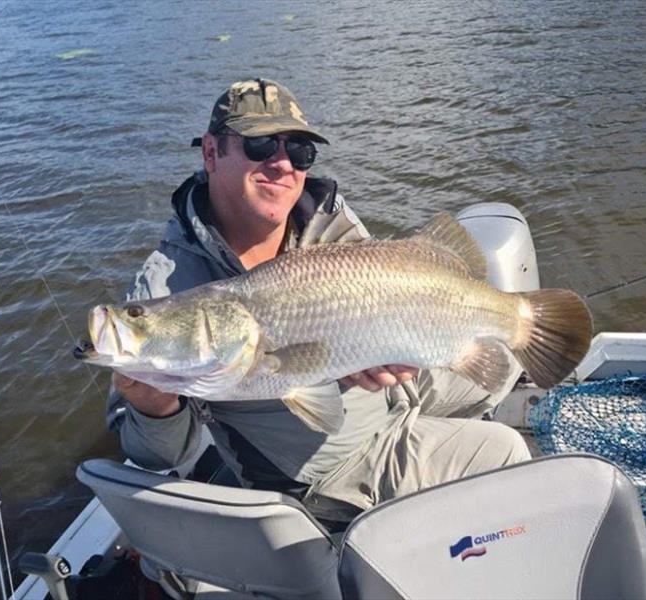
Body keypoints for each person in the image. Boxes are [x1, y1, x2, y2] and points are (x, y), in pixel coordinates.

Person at [106, 78, 530, 523]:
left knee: (512, 357)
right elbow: (157, 456)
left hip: (391, 396)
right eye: (260, 145)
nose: (283, 164)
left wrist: (388, 349)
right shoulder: (162, 294)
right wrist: (154, 406)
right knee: (504, 451)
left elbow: (381, 308)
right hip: (339, 464)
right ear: (211, 153)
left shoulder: (324, 216)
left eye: (300, 151)